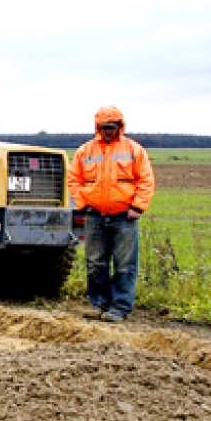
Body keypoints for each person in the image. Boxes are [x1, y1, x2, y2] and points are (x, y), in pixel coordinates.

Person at [68, 105, 155, 322]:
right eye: (105, 127)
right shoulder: (84, 151)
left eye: (113, 126)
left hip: (125, 216)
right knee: (95, 263)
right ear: (98, 127)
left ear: (120, 126)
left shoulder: (135, 150)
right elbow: (74, 180)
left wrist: (138, 207)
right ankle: (99, 304)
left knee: (125, 264)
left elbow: (146, 180)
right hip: (95, 215)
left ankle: (120, 308)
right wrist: (83, 204)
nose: (108, 130)